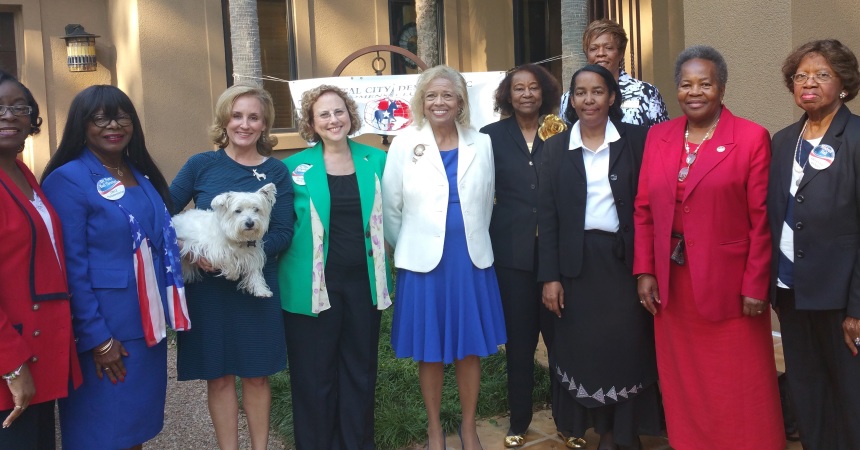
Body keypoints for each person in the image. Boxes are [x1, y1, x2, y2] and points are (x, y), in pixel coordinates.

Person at [633, 45, 785, 450]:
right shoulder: (658, 136)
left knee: (739, 379)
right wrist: (645, 270)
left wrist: (756, 284)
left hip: (731, 284)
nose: (694, 92)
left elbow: (761, 218)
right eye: (686, 84)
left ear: (721, 88)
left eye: (705, 84)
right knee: (685, 378)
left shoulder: (751, 137)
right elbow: (644, 209)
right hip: (673, 284)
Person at [41, 85, 190, 449]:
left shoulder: (137, 171)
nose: (114, 125)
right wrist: (97, 338)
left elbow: (155, 237)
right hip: (108, 332)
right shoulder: (69, 179)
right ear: (82, 124)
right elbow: (70, 266)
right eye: (100, 117)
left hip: (146, 325)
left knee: (134, 429)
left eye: (122, 115)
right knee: (102, 432)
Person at [382, 65, 507, 450]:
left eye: (448, 96)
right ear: (422, 101)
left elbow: (487, 200)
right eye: (432, 96)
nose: (440, 102)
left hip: (469, 260)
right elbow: (391, 208)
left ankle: (468, 428)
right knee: (430, 350)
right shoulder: (404, 143)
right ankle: (435, 430)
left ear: (460, 102)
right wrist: (409, 246)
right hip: (423, 263)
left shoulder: (480, 142)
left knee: (469, 349)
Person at [539, 64, 657, 450]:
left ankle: (625, 433)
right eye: (581, 92)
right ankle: (602, 429)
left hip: (624, 262)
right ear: (571, 100)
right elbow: (548, 217)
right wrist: (550, 277)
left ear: (612, 97)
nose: (589, 99)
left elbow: (650, 209)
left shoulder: (638, 140)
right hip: (577, 265)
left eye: (597, 91)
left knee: (626, 347)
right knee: (587, 350)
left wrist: (647, 268)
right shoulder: (556, 148)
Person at [170, 83, 292, 450]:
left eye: (253, 117)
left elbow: (284, 231)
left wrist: (244, 253)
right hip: (208, 290)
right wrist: (190, 253)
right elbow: (162, 213)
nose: (244, 124)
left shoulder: (276, 173)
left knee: (256, 376)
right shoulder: (200, 165)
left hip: (255, 288)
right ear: (224, 120)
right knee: (219, 377)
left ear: (264, 125)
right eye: (237, 115)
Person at [278, 84, 392, 449]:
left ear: (350, 115)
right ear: (311, 123)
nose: (333, 119)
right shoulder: (292, 168)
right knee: (315, 376)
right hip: (310, 287)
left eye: (339, 111)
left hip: (363, 285)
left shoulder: (375, 160)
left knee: (359, 372)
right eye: (323, 114)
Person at [767, 39, 860, 450]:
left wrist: (858, 308)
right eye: (801, 75)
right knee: (807, 391)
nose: (809, 82)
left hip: (841, 298)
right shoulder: (783, 140)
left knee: (850, 395)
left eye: (822, 74)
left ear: (843, 84)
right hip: (791, 290)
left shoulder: (856, 138)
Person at [479, 64, 572, 448]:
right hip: (512, 254)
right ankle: (519, 420)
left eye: (534, 87)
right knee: (519, 343)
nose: (527, 94)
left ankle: (568, 421)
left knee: (561, 342)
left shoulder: (561, 131)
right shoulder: (490, 136)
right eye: (519, 88)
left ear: (544, 92)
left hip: (557, 254)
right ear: (508, 94)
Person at [0, 71, 81, 450]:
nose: (9, 115)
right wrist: (12, 368)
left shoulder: (21, 172)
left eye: (19, 107)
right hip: (11, 357)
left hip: (39, 348)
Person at [559, 19, 668, 127]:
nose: (601, 53)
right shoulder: (569, 97)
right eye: (593, 49)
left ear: (621, 53)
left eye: (608, 48)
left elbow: (663, 137)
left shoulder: (646, 93)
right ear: (587, 54)